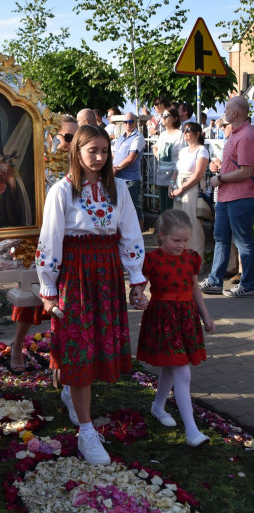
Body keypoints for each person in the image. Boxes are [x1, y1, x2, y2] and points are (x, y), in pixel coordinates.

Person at [35, 125, 146, 465]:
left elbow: (130, 233)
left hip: (107, 273)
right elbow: (50, 239)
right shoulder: (63, 190)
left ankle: (72, 392)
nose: (99, 157)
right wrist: (48, 290)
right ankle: (85, 432)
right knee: (79, 349)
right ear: (77, 152)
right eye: (92, 150)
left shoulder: (119, 188)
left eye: (104, 151)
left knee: (94, 346)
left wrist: (136, 278)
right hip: (76, 274)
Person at [136, 209, 215, 446]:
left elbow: (195, 290)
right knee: (182, 370)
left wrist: (206, 316)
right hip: (163, 319)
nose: (181, 245)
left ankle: (158, 407)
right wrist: (138, 296)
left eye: (185, 240)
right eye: (176, 240)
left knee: (172, 367)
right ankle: (191, 430)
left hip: (186, 317)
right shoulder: (152, 259)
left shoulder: (191, 258)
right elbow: (139, 286)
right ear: (161, 236)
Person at [10, 114, 78, 373]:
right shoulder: (39, 162)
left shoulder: (80, 166)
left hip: (69, 249)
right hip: (36, 240)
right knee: (30, 300)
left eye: (75, 138)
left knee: (64, 305)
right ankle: (17, 344)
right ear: (52, 137)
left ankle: (61, 358)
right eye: (67, 137)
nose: (71, 144)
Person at [200, 96, 254, 298]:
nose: (223, 113)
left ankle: (248, 284)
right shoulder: (235, 133)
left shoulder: (247, 135)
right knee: (221, 238)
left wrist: (220, 176)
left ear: (235, 113)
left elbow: (246, 172)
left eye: (226, 110)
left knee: (243, 241)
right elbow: (237, 165)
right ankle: (215, 281)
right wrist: (219, 167)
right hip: (226, 196)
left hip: (240, 196)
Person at [169, 121, 209, 262]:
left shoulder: (202, 150)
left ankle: (195, 262)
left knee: (193, 224)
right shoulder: (183, 150)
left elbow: (198, 174)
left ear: (197, 133)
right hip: (179, 186)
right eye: (183, 130)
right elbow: (176, 171)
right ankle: (180, 258)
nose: (185, 132)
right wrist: (172, 185)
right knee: (179, 223)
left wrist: (182, 188)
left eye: (188, 130)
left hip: (192, 187)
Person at [113, 112, 145, 230]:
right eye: (125, 122)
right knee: (119, 208)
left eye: (131, 121)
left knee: (134, 208)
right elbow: (113, 155)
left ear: (136, 122)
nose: (128, 124)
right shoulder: (120, 138)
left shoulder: (138, 137)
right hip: (117, 177)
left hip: (131, 179)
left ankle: (139, 236)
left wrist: (115, 169)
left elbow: (131, 158)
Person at [153, 108, 184, 213]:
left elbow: (182, 156)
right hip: (161, 172)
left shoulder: (180, 135)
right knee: (163, 207)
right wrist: (159, 157)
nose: (164, 118)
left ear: (175, 118)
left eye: (167, 115)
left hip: (173, 174)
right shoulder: (163, 134)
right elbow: (155, 147)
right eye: (163, 115)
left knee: (171, 208)